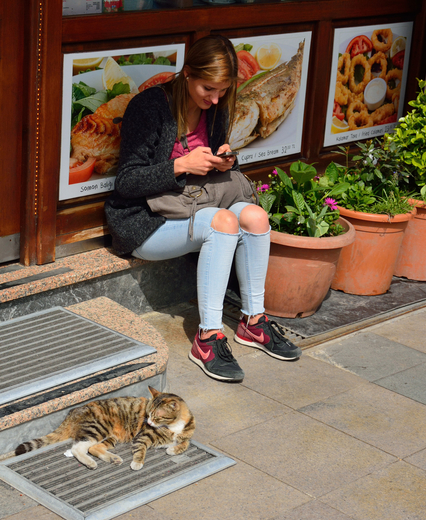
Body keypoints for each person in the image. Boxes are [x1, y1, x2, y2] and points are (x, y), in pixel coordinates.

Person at [104, 35, 301, 383]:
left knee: (256, 217)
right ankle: (208, 338)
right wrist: (180, 166)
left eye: (222, 91)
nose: (214, 99)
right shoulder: (149, 108)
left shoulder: (217, 107)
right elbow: (127, 182)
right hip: (146, 220)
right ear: (187, 73)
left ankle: (254, 321)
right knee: (223, 222)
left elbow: (210, 164)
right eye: (207, 89)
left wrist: (224, 161)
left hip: (193, 202)